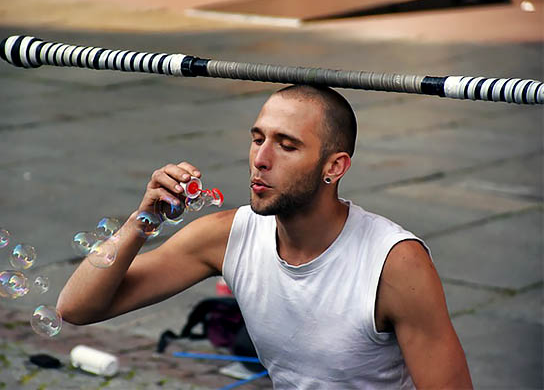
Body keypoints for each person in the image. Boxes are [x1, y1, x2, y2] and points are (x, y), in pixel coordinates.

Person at [57, 85, 473, 389]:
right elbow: (76, 308)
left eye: (286, 146)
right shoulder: (226, 235)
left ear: (335, 166)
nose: (260, 159)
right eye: (258, 139)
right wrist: (142, 222)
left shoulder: (395, 263)